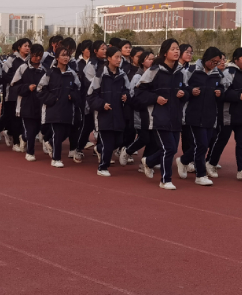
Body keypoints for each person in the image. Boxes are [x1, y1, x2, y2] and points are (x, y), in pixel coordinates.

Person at [134, 38, 188, 188]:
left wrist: (184, 93)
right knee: (169, 148)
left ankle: (149, 161)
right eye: (173, 49)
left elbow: (187, 90)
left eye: (178, 49)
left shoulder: (181, 72)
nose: (176, 51)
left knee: (171, 149)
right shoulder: (154, 71)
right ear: (165, 53)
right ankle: (165, 180)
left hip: (176, 116)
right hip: (158, 116)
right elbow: (139, 92)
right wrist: (155, 98)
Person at [208, 47, 242, 181]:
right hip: (229, 114)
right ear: (236, 59)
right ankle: (211, 163)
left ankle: (241, 170)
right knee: (222, 140)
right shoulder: (229, 72)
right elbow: (221, 92)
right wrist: (237, 96)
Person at [36, 38, 82, 167]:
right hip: (54, 109)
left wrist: (72, 96)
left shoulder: (72, 74)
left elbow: (78, 89)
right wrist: (52, 99)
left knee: (66, 132)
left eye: (67, 55)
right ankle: (56, 159)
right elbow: (40, 89)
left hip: (68, 109)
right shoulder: (50, 73)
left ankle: (50, 143)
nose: (66, 58)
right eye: (63, 55)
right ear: (57, 58)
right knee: (58, 133)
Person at [182, 47, 224, 186]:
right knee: (202, 145)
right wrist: (190, 91)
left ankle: (183, 160)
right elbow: (182, 87)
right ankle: (200, 175)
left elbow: (222, 88)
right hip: (194, 114)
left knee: (203, 144)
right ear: (206, 58)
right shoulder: (192, 70)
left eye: (217, 62)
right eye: (213, 61)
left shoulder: (217, 74)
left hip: (210, 115)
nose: (214, 64)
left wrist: (220, 92)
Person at [88, 45, 131, 176]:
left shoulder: (122, 75)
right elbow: (91, 95)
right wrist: (102, 104)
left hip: (118, 113)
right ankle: (102, 167)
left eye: (120, 57)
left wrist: (126, 95)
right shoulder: (101, 74)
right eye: (116, 57)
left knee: (118, 142)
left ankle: (99, 148)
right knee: (108, 142)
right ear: (109, 58)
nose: (119, 60)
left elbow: (128, 90)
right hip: (104, 114)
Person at [13, 44, 46, 160]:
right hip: (26, 104)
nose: (38, 58)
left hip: (41, 104)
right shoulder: (23, 68)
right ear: (31, 54)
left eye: (40, 56)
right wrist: (27, 88)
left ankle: (24, 137)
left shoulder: (45, 69)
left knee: (38, 129)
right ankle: (30, 152)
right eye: (36, 56)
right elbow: (14, 86)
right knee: (31, 130)